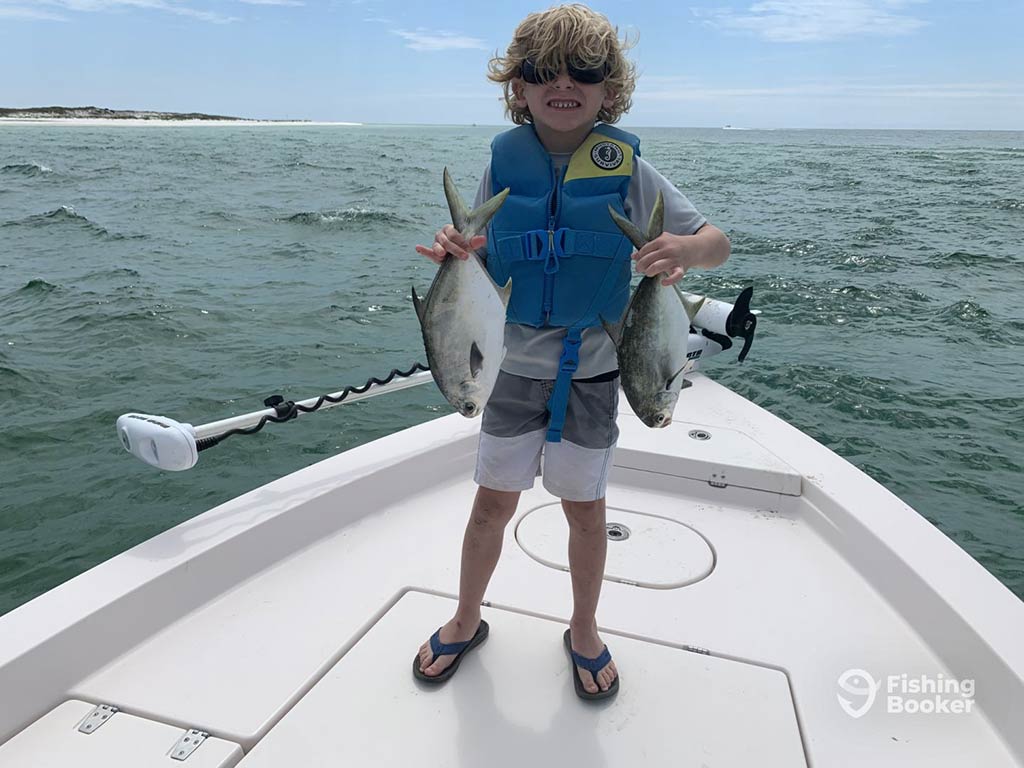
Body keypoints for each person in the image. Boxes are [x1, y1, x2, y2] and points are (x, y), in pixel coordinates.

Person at [413, 3, 730, 700]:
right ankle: (467, 615)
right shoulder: (504, 167)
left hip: (591, 372)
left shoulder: (628, 169)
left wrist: (680, 249)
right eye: (542, 71)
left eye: (582, 71)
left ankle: (584, 627)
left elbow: (716, 243)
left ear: (608, 87)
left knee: (585, 510)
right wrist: (456, 251)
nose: (563, 83)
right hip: (509, 370)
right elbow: (483, 257)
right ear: (517, 86)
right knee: (491, 505)